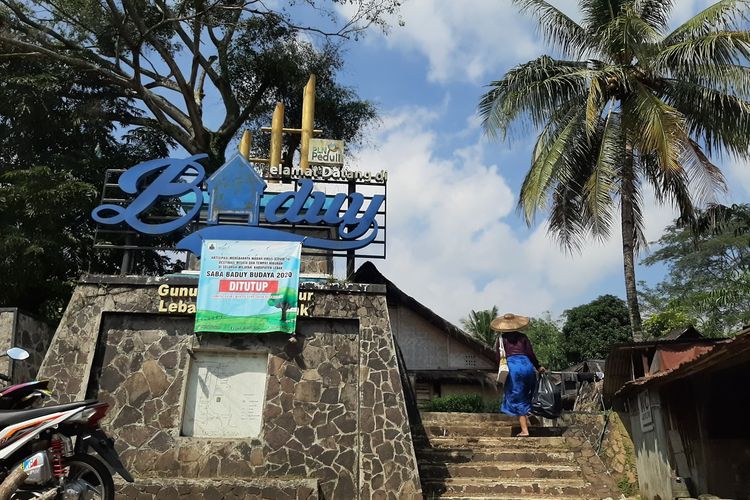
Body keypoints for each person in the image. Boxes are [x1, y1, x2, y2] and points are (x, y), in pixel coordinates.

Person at [491, 313, 545, 437]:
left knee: (516, 396)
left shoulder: (501, 339)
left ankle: (525, 430)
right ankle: (529, 413)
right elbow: (531, 354)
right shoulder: (523, 337)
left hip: (513, 367)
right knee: (527, 392)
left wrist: (500, 370)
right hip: (527, 366)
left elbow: (498, 358)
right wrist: (538, 366)